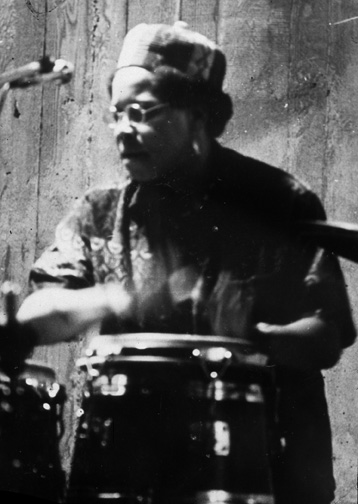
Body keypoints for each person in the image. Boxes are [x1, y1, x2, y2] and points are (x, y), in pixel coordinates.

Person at [17, 21, 356, 504]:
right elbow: (44, 306)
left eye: (142, 112)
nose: (123, 130)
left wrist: (255, 337)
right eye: (116, 114)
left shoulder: (278, 202)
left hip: (265, 468)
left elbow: (326, 335)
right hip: (131, 467)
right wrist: (96, 302)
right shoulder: (100, 212)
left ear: (199, 115)